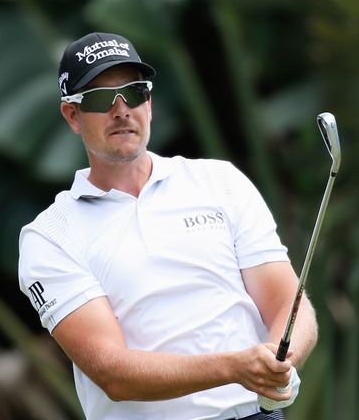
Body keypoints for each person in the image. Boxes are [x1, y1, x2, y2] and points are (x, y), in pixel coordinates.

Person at [18, 32, 318, 420]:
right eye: (99, 98)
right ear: (72, 116)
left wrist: (280, 359)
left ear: (150, 103)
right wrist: (234, 368)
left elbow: (288, 303)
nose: (122, 109)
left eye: (135, 92)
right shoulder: (50, 236)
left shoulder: (220, 181)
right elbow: (113, 374)